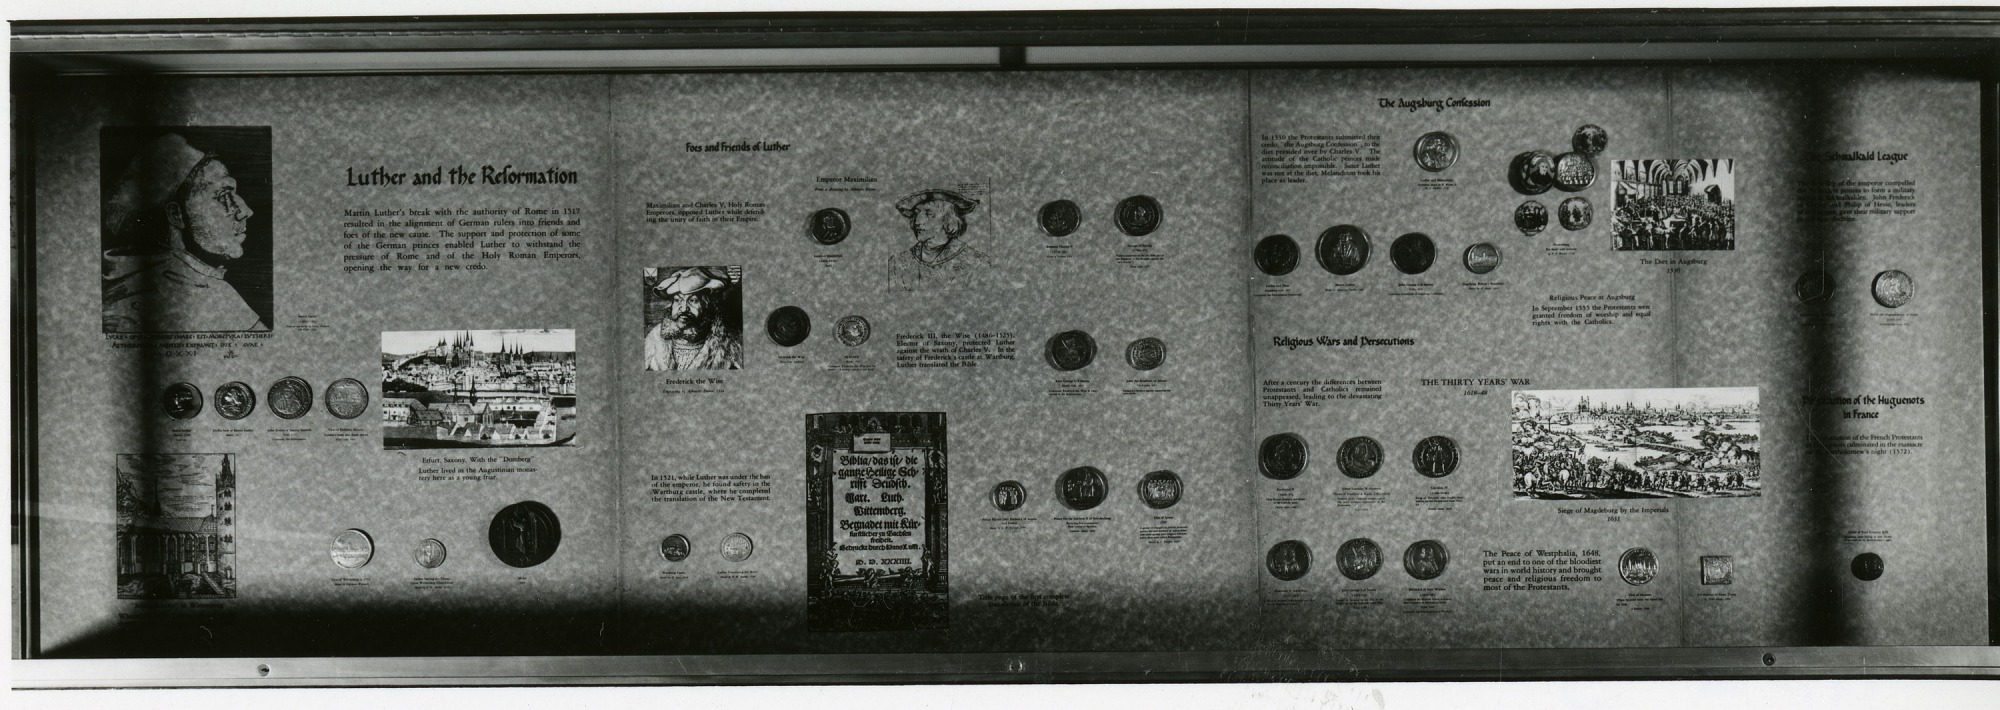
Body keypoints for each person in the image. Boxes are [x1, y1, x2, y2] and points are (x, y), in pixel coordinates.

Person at [102, 133, 269, 332]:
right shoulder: (209, 297)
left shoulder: (125, 284)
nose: (244, 211)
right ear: (176, 214)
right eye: (223, 196)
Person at [887, 189, 988, 291]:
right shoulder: (897, 263)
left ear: (948, 218)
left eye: (929, 213)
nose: (917, 221)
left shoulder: (977, 264)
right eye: (917, 213)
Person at [643, 267, 743, 371]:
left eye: (693, 300)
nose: (684, 308)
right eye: (677, 300)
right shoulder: (655, 339)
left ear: (707, 305)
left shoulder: (730, 344)